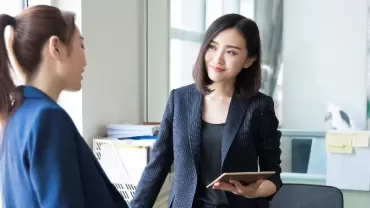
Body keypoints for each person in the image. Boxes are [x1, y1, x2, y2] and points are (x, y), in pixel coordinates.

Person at [130, 13, 282, 208]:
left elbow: (274, 176)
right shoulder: (180, 100)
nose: (217, 59)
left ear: (249, 60)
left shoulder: (259, 107)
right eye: (212, 46)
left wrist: (255, 191)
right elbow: (157, 167)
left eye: (231, 52)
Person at [0, 5, 128, 208]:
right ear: (56, 47)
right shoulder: (48, 119)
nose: (85, 60)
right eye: (81, 46)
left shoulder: (14, 118)